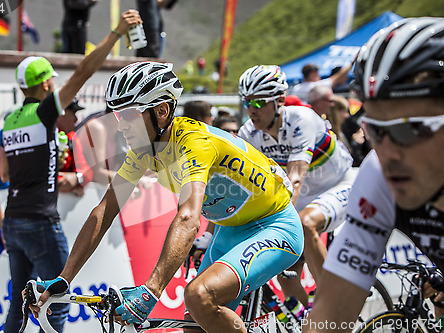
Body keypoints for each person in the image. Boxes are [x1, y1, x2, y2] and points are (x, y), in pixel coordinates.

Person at [30, 61, 304, 333]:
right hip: (231, 230)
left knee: (199, 296)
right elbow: (104, 211)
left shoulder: (194, 144)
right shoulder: (142, 150)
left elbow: (188, 217)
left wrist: (151, 291)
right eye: (116, 116)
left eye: (128, 115)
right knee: (195, 325)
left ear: (161, 111)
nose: (119, 125)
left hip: (274, 225)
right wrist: (64, 279)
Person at [0, 10, 142, 333]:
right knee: (55, 303)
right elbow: (84, 72)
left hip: (13, 221)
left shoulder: (9, 120)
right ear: (47, 83)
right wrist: (117, 33)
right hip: (40, 221)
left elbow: (5, 174)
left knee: (19, 305)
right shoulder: (44, 111)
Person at [304, 17, 444, 332]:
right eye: (376, 132)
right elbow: (329, 319)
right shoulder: (379, 174)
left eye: (410, 130)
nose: (389, 153)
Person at [238, 65, 356, 307]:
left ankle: (331, 304)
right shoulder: (248, 132)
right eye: (246, 102)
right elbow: (240, 186)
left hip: (339, 184)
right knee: (287, 274)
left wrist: (280, 222)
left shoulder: (301, 119)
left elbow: (296, 177)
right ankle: (305, 321)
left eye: (259, 103)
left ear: (279, 100)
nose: (251, 110)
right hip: (303, 197)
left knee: (304, 222)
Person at [57, 98, 93, 197]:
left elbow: (87, 171)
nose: (76, 119)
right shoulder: (41, 134)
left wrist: (77, 179)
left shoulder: (71, 137)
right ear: (61, 114)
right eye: (73, 114)